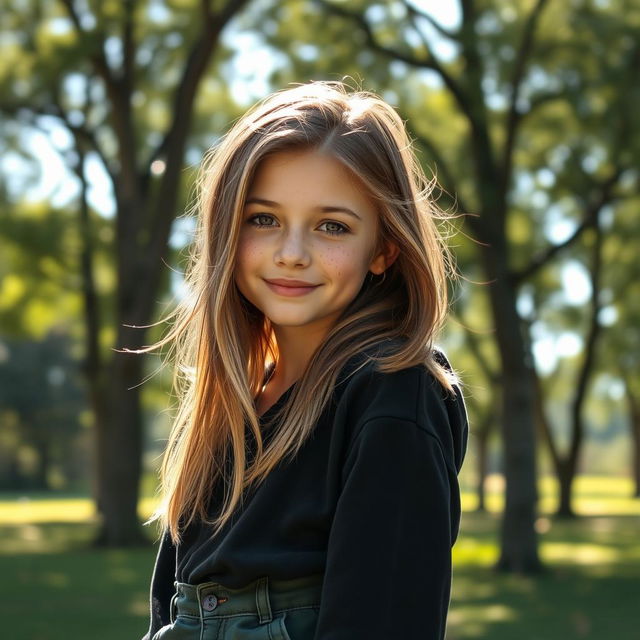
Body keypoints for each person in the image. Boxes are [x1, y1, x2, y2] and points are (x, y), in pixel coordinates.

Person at [140, 81, 469, 640]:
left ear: (384, 249)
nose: (291, 253)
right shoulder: (231, 405)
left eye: (331, 226)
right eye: (263, 218)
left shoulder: (394, 393)